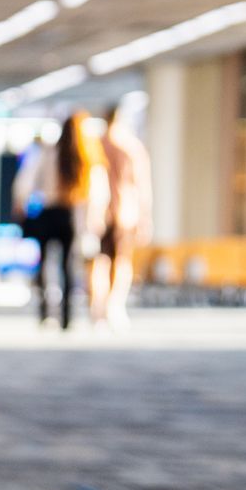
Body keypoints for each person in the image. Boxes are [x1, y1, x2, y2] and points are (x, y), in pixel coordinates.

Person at [25, 111, 100, 330]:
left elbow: (29, 184)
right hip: (69, 216)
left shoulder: (49, 154)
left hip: (48, 213)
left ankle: (44, 311)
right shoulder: (84, 158)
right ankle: (67, 317)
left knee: (44, 264)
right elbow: (92, 195)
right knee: (67, 266)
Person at [92, 102, 153, 329]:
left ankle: (98, 308)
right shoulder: (132, 147)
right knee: (122, 262)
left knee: (99, 262)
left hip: (98, 214)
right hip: (126, 213)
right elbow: (142, 186)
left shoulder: (96, 146)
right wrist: (145, 217)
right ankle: (114, 306)